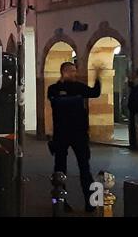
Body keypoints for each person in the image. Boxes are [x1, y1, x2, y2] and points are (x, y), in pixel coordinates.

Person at [48, 62, 102, 213]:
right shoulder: (53, 89)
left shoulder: (79, 87)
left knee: (85, 168)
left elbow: (94, 93)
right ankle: (60, 201)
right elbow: (57, 103)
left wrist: (98, 78)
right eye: (71, 71)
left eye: (75, 71)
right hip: (61, 134)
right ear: (63, 72)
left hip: (79, 134)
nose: (74, 74)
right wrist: (77, 99)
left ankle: (90, 202)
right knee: (60, 169)